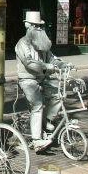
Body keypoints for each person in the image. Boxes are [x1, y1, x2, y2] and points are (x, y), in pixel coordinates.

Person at [15, 10, 70, 153]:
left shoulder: (43, 43)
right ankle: (36, 140)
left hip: (42, 78)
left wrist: (62, 64)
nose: (38, 28)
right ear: (28, 26)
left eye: (40, 26)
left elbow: (52, 58)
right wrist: (47, 67)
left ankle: (47, 121)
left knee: (58, 94)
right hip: (27, 79)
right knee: (37, 105)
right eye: (35, 26)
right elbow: (30, 64)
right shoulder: (22, 44)